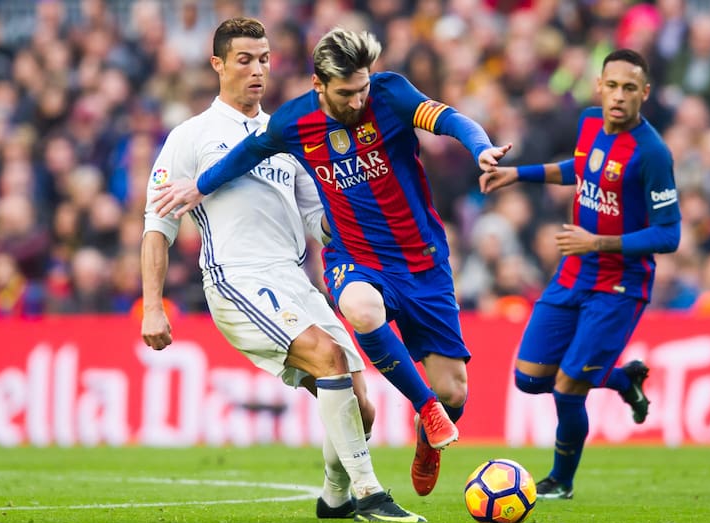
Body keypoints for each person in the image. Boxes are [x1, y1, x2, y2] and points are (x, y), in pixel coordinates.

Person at [151, 27, 512, 497]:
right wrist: (199, 185)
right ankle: (424, 409)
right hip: (354, 257)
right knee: (361, 311)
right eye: (347, 92)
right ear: (319, 85)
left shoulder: (391, 93)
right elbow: (243, 157)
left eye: (363, 87)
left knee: (456, 393)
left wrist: (480, 146)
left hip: (422, 259)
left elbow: (452, 120)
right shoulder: (293, 122)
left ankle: (430, 430)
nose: (358, 99)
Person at [141, 17, 424, 523]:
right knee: (329, 357)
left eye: (264, 59)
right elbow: (157, 226)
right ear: (218, 65)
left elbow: (320, 219)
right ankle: (369, 492)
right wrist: (154, 307)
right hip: (237, 277)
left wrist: (373, 241)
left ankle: (334, 498)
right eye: (245, 60)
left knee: (362, 406)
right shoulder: (191, 137)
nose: (257, 70)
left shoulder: (284, 134)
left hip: (296, 279)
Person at [480, 49, 681, 499]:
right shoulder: (590, 123)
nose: (619, 96)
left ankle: (561, 481)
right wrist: (518, 175)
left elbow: (669, 235)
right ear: (599, 86)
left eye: (630, 88)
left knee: (569, 386)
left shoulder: (652, 153)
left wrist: (599, 243)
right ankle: (622, 378)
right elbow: (580, 168)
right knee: (530, 379)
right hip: (573, 272)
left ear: (644, 94)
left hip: (618, 285)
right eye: (612, 86)